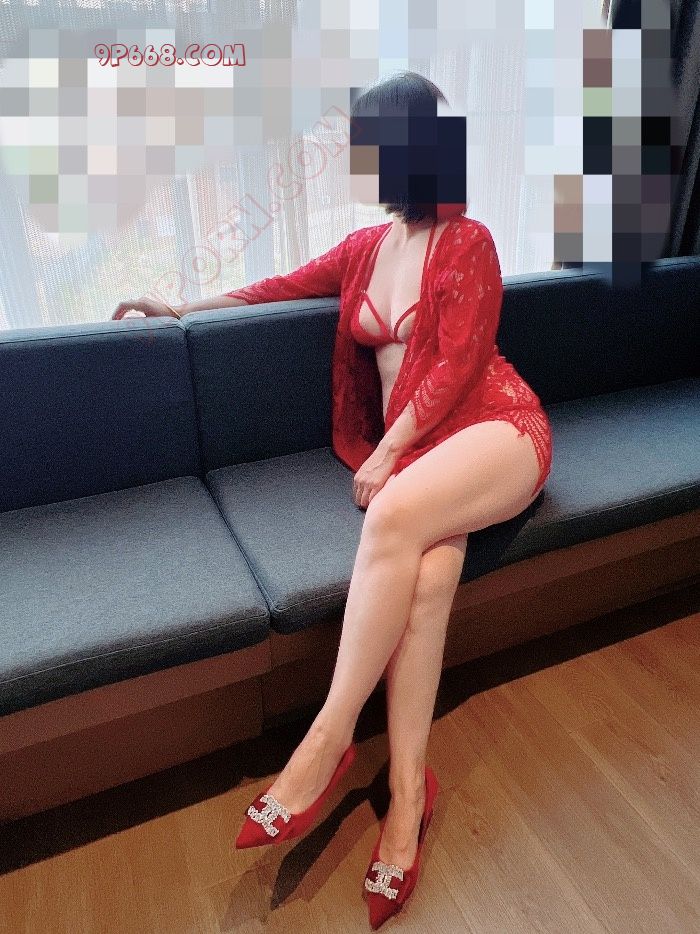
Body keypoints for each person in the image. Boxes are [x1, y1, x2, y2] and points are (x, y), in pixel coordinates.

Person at [113, 71, 553, 928]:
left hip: (498, 430)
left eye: (372, 140)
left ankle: (326, 738)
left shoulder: (470, 241)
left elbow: (460, 364)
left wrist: (386, 451)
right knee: (429, 576)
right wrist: (182, 305)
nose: (360, 154)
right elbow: (278, 286)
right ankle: (406, 795)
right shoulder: (365, 248)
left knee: (389, 513)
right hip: (427, 456)